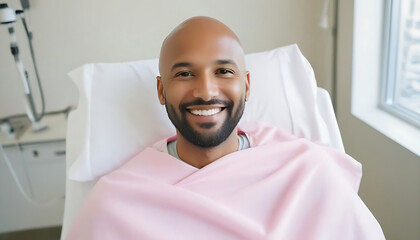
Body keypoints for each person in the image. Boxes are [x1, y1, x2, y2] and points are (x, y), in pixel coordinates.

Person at [66, 16, 385, 239]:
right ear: (161, 90)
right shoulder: (116, 202)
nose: (206, 91)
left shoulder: (308, 171)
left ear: (246, 86)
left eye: (223, 71)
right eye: (185, 74)